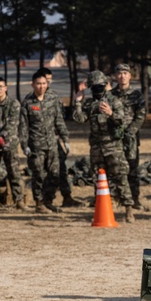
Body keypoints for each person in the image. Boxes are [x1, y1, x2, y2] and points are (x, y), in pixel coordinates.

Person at [73, 70, 135, 223]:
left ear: (106, 85)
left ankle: (128, 210)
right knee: (98, 179)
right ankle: (100, 209)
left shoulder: (113, 101)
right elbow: (79, 119)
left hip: (113, 147)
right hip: (97, 148)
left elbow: (123, 121)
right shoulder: (89, 103)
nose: (97, 91)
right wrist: (78, 101)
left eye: (100, 87)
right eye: (94, 88)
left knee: (120, 178)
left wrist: (111, 113)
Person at [19, 69, 71, 213]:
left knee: (54, 174)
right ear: (32, 84)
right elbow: (23, 126)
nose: (41, 86)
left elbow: (59, 120)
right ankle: (39, 203)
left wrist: (65, 139)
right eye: (38, 84)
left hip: (52, 144)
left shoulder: (52, 99)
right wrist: (24, 145)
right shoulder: (28, 103)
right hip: (36, 145)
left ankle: (48, 200)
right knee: (39, 174)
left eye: (44, 83)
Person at [0, 76, 27, 211]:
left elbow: (13, 123)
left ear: (6, 88)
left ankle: (19, 200)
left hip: (10, 144)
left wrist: (2, 137)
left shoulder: (14, 104)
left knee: (14, 173)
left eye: (1, 86)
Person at [40, 67, 83, 208]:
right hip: (39, 142)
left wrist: (65, 138)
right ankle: (45, 200)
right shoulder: (33, 99)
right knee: (43, 171)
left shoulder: (54, 97)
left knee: (61, 168)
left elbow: (60, 120)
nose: (47, 82)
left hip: (54, 140)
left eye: (49, 79)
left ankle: (67, 196)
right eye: (45, 79)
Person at [110, 63, 147, 209]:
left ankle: (135, 198)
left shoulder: (136, 95)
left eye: (125, 73)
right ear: (115, 76)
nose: (122, 76)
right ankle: (116, 197)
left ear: (130, 76)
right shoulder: (111, 95)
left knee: (132, 168)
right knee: (116, 168)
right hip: (115, 139)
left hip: (130, 138)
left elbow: (141, 115)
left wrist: (130, 132)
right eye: (119, 73)